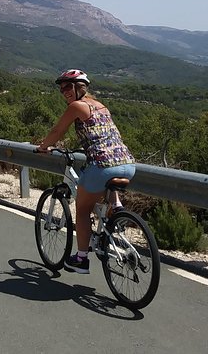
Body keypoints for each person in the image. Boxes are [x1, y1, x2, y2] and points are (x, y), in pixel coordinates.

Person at [36, 69, 135, 274]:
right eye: (61, 88)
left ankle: (81, 258)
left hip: (103, 166)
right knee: (103, 181)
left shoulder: (76, 106)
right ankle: (115, 206)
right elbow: (102, 136)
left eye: (67, 87)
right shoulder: (101, 106)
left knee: (82, 210)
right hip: (127, 164)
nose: (64, 91)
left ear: (79, 88)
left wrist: (44, 147)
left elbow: (57, 130)